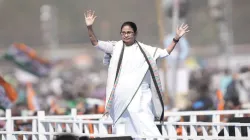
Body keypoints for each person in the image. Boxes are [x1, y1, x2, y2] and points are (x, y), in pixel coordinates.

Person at [84, 10, 189, 138]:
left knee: (145, 123)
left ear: (135, 33)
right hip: (120, 97)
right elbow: (95, 42)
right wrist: (89, 27)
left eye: (129, 32)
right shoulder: (115, 47)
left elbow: (165, 52)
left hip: (140, 96)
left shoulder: (145, 50)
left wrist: (176, 38)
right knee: (123, 128)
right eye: (123, 33)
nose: (126, 35)